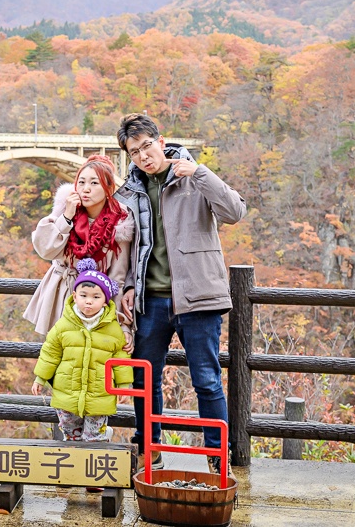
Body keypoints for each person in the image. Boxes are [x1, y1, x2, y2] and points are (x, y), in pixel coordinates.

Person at [114, 113, 246, 474]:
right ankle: (149, 451)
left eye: (146, 146)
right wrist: (127, 287)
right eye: (134, 151)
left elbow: (235, 211)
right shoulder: (129, 191)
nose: (143, 156)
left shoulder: (193, 178)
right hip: (150, 301)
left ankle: (218, 458)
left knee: (206, 379)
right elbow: (128, 248)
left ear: (161, 140)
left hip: (198, 297)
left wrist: (200, 173)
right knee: (144, 381)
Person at [23, 155, 135, 349]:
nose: (86, 189)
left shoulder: (120, 222)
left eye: (94, 182)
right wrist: (66, 216)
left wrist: (123, 325)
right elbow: (46, 249)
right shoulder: (65, 209)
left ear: (108, 188)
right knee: (59, 356)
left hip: (97, 299)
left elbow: (117, 276)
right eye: (81, 182)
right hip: (62, 293)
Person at [32, 258, 134, 442]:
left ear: (105, 301)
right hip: (67, 392)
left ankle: (100, 440)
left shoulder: (113, 329)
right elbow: (50, 353)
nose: (88, 301)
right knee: (71, 435)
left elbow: (121, 360)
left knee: (93, 438)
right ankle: (73, 468)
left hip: (100, 393)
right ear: (74, 295)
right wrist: (41, 377)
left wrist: (124, 386)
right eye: (84, 295)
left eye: (96, 297)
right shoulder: (63, 325)